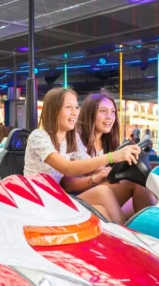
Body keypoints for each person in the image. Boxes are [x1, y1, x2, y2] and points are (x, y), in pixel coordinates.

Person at [24, 88, 140, 224]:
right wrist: (112, 156)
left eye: (76, 107)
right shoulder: (39, 136)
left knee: (128, 187)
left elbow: (90, 164)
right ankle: (127, 240)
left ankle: (151, 236)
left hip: (60, 199)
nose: (74, 113)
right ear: (54, 110)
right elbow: (67, 168)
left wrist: (116, 169)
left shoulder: (71, 138)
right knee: (103, 192)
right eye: (68, 107)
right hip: (41, 202)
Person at [76, 92, 157, 218]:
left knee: (141, 183)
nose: (109, 117)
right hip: (81, 195)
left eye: (113, 112)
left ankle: (154, 228)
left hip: (102, 190)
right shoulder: (76, 141)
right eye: (103, 111)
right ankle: (126, 235)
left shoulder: (110, 143)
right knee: (107, 191)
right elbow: (67, 181)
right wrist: (95, 177)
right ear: (90, 114)